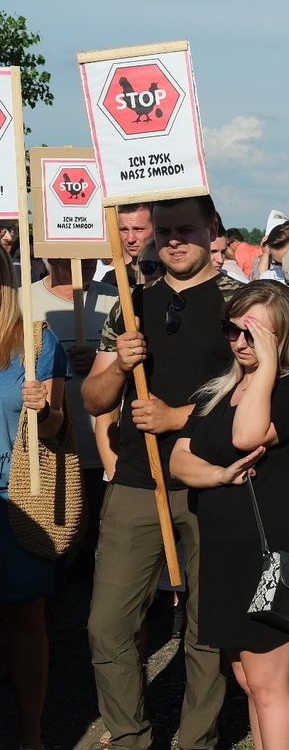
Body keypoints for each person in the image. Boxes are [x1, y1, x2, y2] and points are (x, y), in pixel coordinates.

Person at [82, 195, 238, 750]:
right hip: (135, 484)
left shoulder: (241, 304)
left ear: (210, 230)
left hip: (213, 483)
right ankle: (129, 737)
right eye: (164, 230)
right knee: (107, 624)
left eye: (186, 229)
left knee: (205, 630)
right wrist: (120, 365)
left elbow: (272, 399)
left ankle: (197, 739)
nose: (174, 240)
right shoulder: (131, 304)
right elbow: (96, 399)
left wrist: (181, 417)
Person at [170, 281, 289, 750]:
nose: (240, 342)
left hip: (272, 547)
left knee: (268, 684)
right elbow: (179, 460)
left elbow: (248, 435)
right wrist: (219, 477)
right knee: (247, 680)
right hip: (225, 549)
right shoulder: (220, 390)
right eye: (232, 330)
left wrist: (269, 365)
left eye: (253, 333)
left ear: (282, 336)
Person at [0, 248, 71, 750]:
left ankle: (31, 731)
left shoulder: (36, 342)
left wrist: (43, 409)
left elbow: (55, 428)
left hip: (17, 497)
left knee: (27, 618)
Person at [28, 257, 119, 544]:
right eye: (71, 256)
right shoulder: (23, 300)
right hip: (49, 457)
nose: (85, 262)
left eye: (90, 254)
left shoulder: (119, 301)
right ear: (49, 258)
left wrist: (103, 362)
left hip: (108, 456)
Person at [97, 203, 153, 288]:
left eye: (138, 229)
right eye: (124, 230)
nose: (130, 239)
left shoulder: (170, 274)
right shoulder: (112, 278)